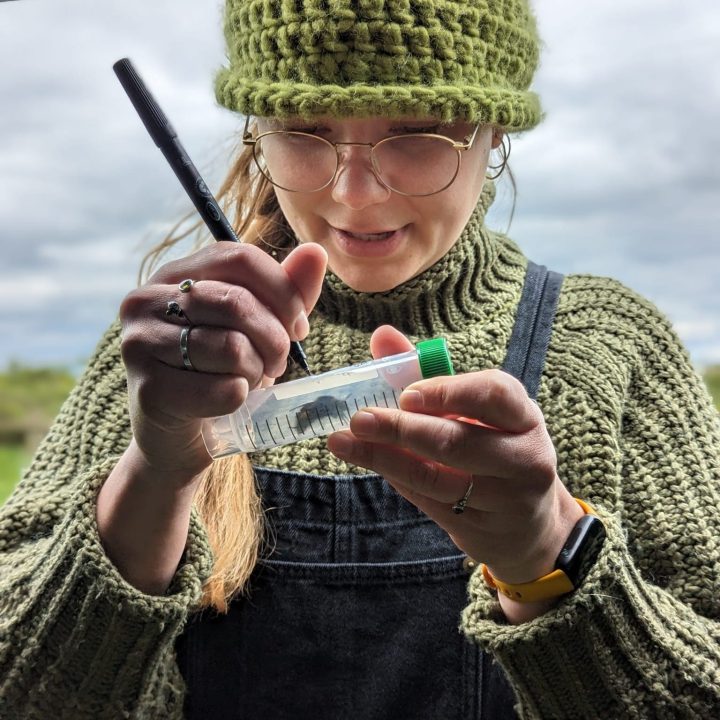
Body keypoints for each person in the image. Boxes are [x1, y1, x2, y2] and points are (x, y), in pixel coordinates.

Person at [1, 0, 719, 717]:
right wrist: (155, 473)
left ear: (493, 131)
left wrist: (547, 559)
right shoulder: (167, 363)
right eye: (307, 132)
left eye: (414, 131)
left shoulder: (608, 345)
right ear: (259, 130)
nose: (353, 194)